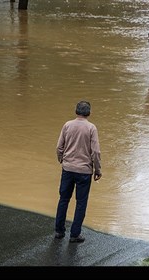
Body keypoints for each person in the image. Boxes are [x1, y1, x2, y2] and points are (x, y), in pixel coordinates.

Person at [54, 100, 102, 243]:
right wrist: (97, 169)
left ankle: (59, 231)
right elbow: (96, 152)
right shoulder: (91, 128)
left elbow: (59, 147)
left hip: (67, 169)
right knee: (81, 203)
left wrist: (62, 160)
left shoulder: (67, 125)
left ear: (76, 111)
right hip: (84, 171)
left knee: (63, 199)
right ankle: (75, 234)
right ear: (89, 113)